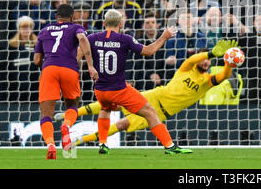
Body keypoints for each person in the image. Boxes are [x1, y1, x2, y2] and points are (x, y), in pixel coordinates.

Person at [55, 39, 238, 147]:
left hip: (161, 112)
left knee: (121, 125)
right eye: (204, 59)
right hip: (155, 95)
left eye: (208, 62)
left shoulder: (207, 82)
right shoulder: (187, 67)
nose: (205, 63)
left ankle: (78, 141)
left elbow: (223, 75)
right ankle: (70, 113)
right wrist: (211, 54)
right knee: (114, 103)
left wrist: (229, 63)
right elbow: (193, 58)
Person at [82, 9, 192, 155]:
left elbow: (79, 53)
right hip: (119, 89)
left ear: (103, 23)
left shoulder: (92, 38)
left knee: (105, 109)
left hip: (100, 90)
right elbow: (148, 51)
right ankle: (169, 146)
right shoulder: (124, 39)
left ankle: (102, 143)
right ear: (121, 23)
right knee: (150, 112)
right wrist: (164, 37)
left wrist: (89, 66)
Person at [33, 3, 99, 159]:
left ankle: (50, 145)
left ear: (56, 17)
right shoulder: (76, 28)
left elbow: (36, 60)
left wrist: (48, 63)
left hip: (49, 69)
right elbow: (82, 38)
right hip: (69, 69)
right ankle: (66, 125)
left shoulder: (44, 30)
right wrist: (90, 65)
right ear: (73, 17)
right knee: (72, 105)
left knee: (46, 114)